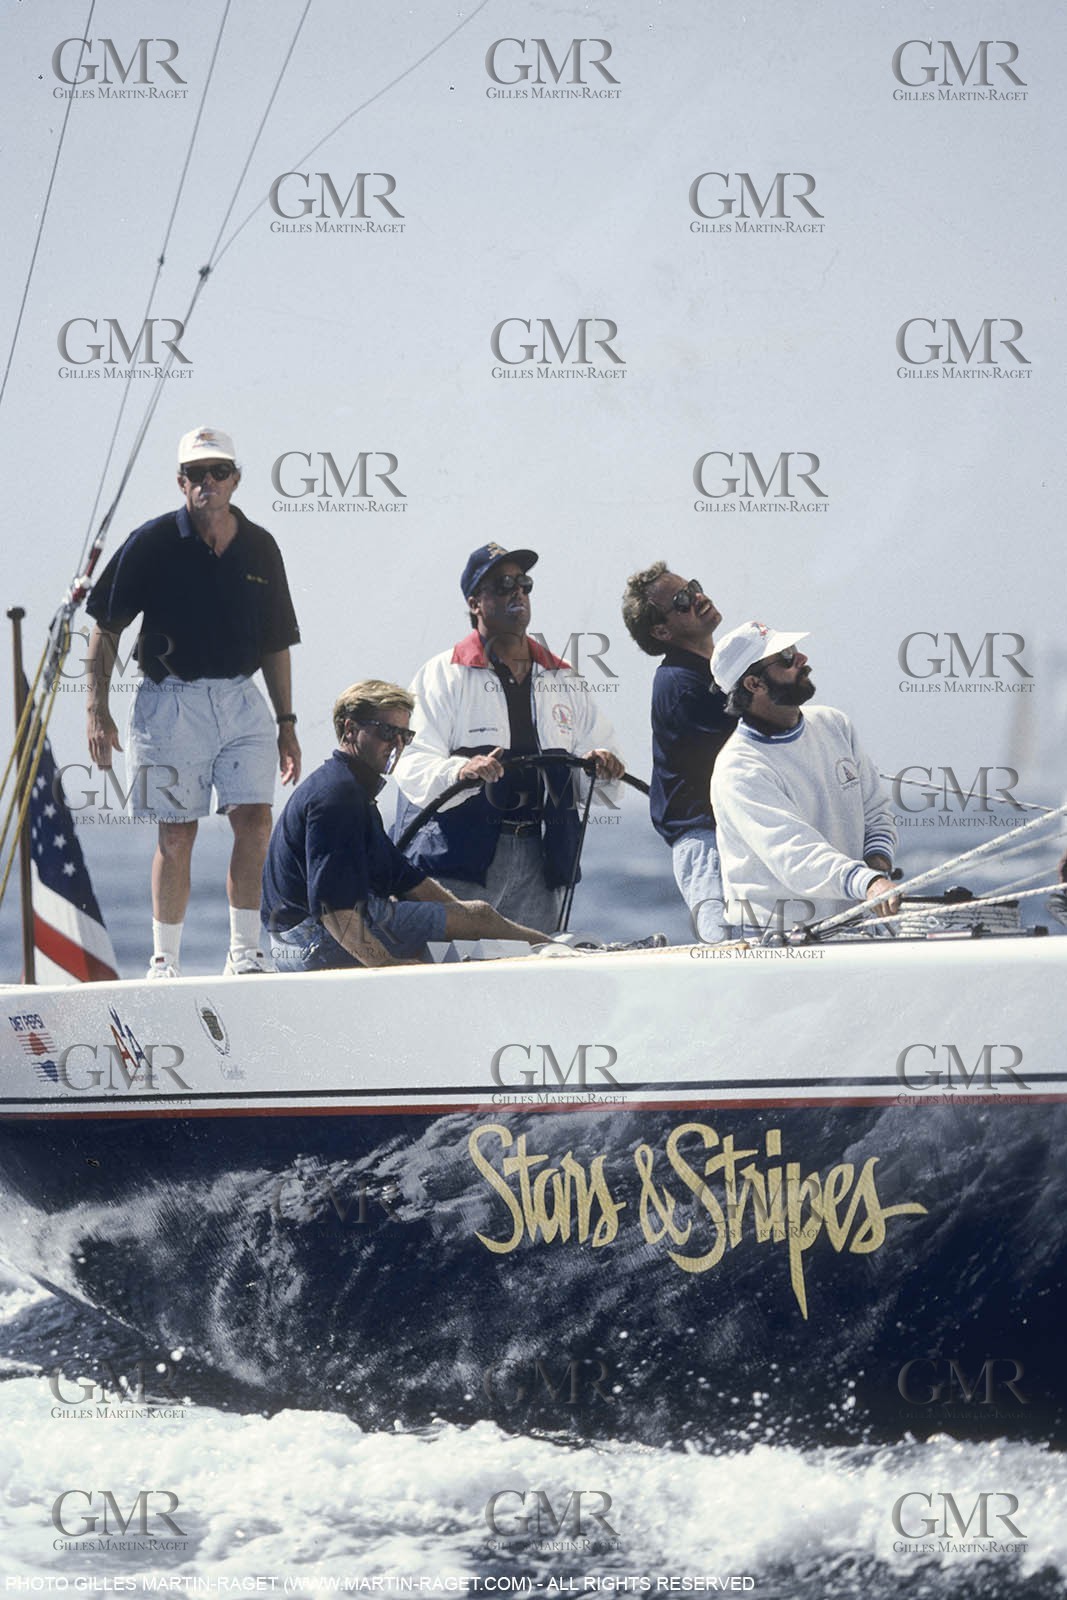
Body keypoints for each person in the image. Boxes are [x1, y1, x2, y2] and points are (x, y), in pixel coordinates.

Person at [85, 426, 301, 978]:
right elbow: (106, 626)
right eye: (197, 474)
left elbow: (277, 641)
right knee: (177, 831)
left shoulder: (260, 546)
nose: (209, 482)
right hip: (169, 701)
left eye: (219, 472)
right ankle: (165, 961)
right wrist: (95, 707)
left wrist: (287, 722)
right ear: (181, 482)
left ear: (235, 479)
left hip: (241, 699)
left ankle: (245, 954)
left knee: (254, 821)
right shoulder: (152, 542)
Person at [392, 543, 624, 930]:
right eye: (502, 585)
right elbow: (411, 761)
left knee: (535, 976)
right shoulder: (442, 675)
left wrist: (602, 764)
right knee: (453, 970)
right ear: (474, 603)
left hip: (540, 858)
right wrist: (461, 771)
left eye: (523, 583)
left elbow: (599, 761)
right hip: (458, 860)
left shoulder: (563, 677)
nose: (517, 592)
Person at [262, 680, 550, 969]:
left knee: (476, 916)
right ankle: (560, 953)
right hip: (312, 943)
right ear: (350, 729)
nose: (397, 745)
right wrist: (388, 966)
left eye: (405, 736)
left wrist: (465, 917)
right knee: (475, 919)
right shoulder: (339, 797)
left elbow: (406, 881)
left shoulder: (348, 789)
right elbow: (334, 909)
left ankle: (553, 951)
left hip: (294, 942)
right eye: (387, 732)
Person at [708, 621, 899, 939]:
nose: (802, 659)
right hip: (773, 941)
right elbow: (795, 855)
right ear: (755, 684)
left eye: (794, 650)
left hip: (850, 927)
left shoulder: (834, 724)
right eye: (785, 657)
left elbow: (875, 811)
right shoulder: (739, 769)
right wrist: (867, 883)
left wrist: (876, 865)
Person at [621, 563, 735, 942]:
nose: (699, 598)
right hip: (708, 845)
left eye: (695, 587)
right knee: (732, 953)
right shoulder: (681, 685)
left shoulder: (719, 674)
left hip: (737, 836)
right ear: (661, 631)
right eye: (683, 601)